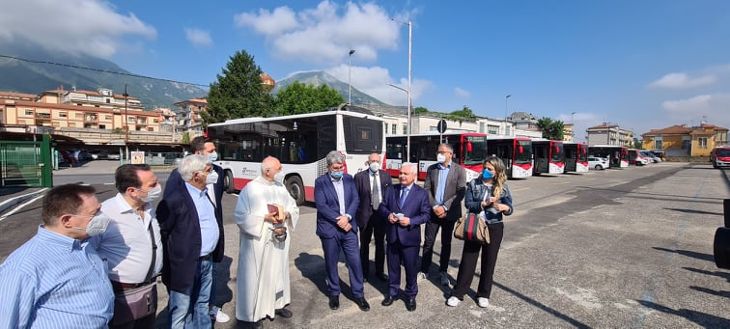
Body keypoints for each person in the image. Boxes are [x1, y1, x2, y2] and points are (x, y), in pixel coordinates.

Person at [0, 184, 114, 328]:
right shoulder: (24, 266)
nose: (102, 217)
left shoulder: (84, 244)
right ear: (66, 220)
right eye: (94, 213)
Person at [165, 136, 229, 323]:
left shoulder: (216, 172)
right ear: (198, 153)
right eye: (210, 151)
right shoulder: (179, 176)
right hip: (187, 256)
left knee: (204, 297)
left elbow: (215, 206)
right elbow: (169, 221)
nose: (215, 153)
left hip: (208, 251)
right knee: (183, 305)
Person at [234, 156, 300, 327]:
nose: (281, 171)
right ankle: (255, 314)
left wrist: (287, 214)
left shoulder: (280, 187)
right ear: (268, 171)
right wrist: (264, 218)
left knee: (279, 273)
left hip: (279, 239)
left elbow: (292, 206)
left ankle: (278, 305)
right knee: (258, 277)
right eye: (279, 168)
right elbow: (240, 216)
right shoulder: (251, 189)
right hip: (260, 241)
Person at [97, 164, 163, 329]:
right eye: (152, 185)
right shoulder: (105, 214)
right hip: (122, 295)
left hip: (149, 288)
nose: (159, 187)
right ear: (132, 191)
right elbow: (87, 253)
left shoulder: (148, 207)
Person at [447, 156, 513, 308]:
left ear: (497, 172)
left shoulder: (503, 186)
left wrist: (504, 208)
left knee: (489, 262)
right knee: (468, 260)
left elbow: (510, 208)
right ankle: (458, 293)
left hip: (494, 227)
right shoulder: (474, 183)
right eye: (484, 167)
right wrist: (483, 204)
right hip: (475, 225)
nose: (485, 171)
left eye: (489, 169)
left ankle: (483, 294)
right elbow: (469, 203)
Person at [314, 151, 370, 312]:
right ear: (329, 166)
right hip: (330, 229)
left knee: (355, 261)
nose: (339, 170)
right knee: (331, 262)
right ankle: (334, 293)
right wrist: (340, 220)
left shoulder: (348, 179)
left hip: (349, 227)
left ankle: (358, 294)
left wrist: (348, 216)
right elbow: (322, 206)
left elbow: (355, 200)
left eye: (341, 167)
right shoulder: (321, 182)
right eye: (336, 168)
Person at [377, 162, 431, 312]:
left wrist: (411, 221)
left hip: (410, 238)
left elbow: (426, 215)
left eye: (405, 174)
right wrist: (388, 215)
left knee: (410, 268)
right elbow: (382, 207)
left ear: (414, 176)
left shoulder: (421, 193)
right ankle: (392, 292)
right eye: (400, 173)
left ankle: (411, 295)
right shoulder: (391, 190)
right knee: (393, 268)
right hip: (393, 236)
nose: (401, 176)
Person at [420, 143, 466, 286]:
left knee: (446, 243)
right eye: (438, 151)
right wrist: (434, 206)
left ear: (450, 154)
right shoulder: (432, 169)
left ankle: (443, 271)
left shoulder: (459, 170)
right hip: (433, 212)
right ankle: (424, 270)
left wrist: (445, 207)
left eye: (442, 152)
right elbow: (427, 188)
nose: (438, 154)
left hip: (449, 213)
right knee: (428, 242)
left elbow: (461, 191)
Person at [354, 152, 392, 282]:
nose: (375, 163)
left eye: (377, 161)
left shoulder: (386, 176)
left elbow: (389, 196)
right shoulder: (359, 177)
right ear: (368, 162)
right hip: (365, 214)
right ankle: (364, 273)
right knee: (364, 245)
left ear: (380, 162)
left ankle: (379, 271)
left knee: (380, 244)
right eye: (372, 161)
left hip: (380, 215)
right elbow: (355, 198)